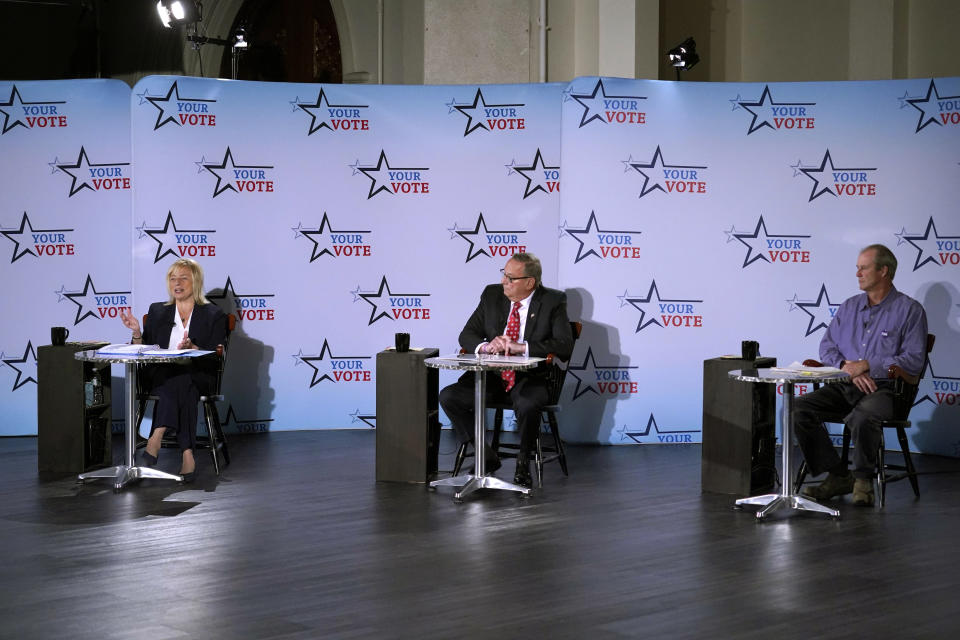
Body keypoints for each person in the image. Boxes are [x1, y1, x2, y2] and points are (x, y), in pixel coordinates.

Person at [794, 244, 927, 506]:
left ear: (884, 271)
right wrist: (848, 367)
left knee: (863, 416)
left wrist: (867, 365)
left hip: (887, 389)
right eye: (857, 268)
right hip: (846, 384)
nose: (857, 273)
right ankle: (838, 474)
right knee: (796, 408)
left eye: (863, 268)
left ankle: (863, 480)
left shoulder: (910, 310)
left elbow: (913, 360)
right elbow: (827, 347)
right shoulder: (849, 307)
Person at [439, 253, 574, 487]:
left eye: (511, 278)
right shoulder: (492, 295)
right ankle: (485, 455)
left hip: (530, 377)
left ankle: (523, 462)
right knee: (449, 396)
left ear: (530, 282)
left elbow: (564, 345)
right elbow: (467, 334)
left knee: (528, 404)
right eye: (503, 274)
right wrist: (486, 346)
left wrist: (520, 347)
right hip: (491, 377)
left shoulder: (553, 300)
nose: (504, 282)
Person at [120, 258, 228, 482]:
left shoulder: (213, 314)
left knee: (184, 378)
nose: (176, 283)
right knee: (179, 379)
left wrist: (193, 348)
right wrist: (137, 332)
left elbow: (215, 355)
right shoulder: (158, 311)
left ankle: (157, 435)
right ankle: (187, 454)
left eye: (183, 278)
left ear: (195, 282)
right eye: (172, 278)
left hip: (199, 373)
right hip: (160, 374)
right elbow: (143, 351)